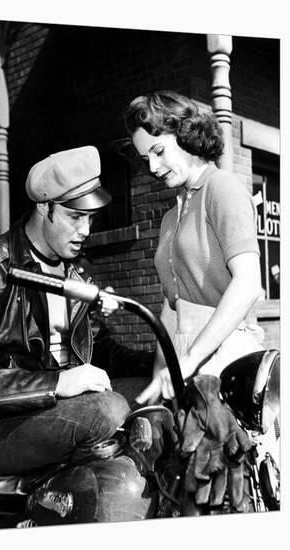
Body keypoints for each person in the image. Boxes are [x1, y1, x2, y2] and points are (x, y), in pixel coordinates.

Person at [0, 145, 152, 475]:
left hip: (71, 410)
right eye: (75, 216)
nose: (86, 230)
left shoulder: (78, 271)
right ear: (45, 207)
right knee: (110, 410)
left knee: (156, 397)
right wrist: (58, 382)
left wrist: (154, 362)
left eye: (90, 218)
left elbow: (96, 349)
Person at [124, 91, 264, 404]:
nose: (154, 166)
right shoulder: (171, 217)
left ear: (186, 136)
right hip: (182, 353)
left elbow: (249, 283)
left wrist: (190, 359)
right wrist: (159, 382)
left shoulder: (221, 187)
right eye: (146, 158)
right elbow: (170, 308)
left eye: (158, 151)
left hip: (225, 350)